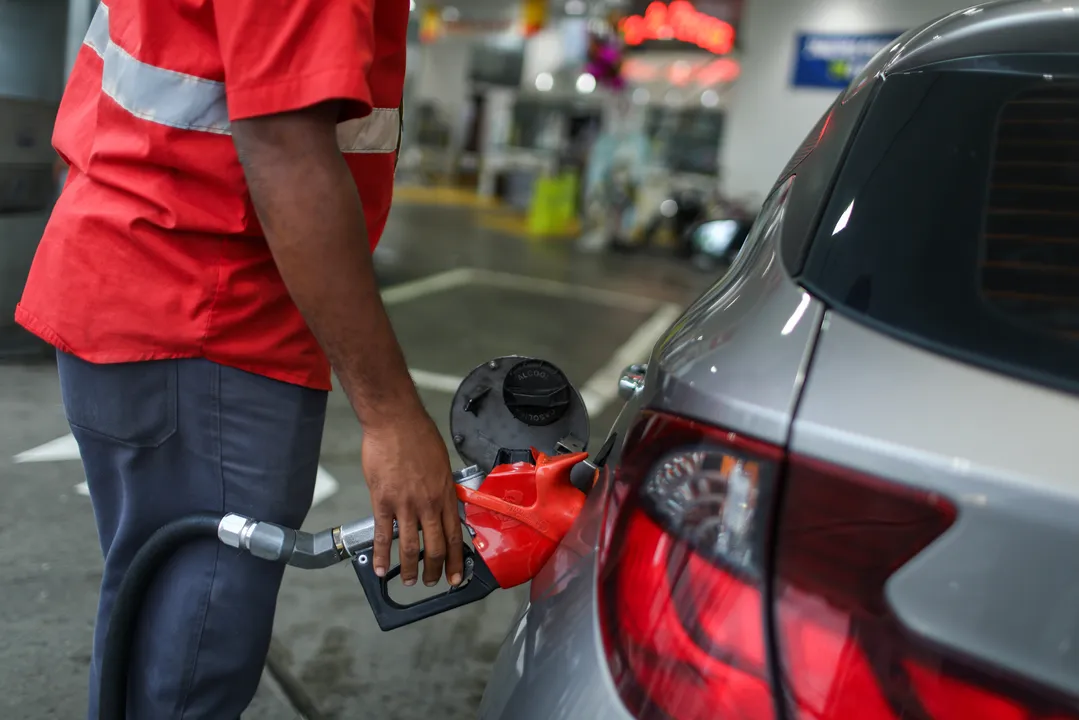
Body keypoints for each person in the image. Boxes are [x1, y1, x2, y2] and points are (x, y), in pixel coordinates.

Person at [15, 1, 463, 718]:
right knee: (193, 665)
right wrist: (390, 417)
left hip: (150, 288)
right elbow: (284, 142)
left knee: (157, 622)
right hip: (205, 319)